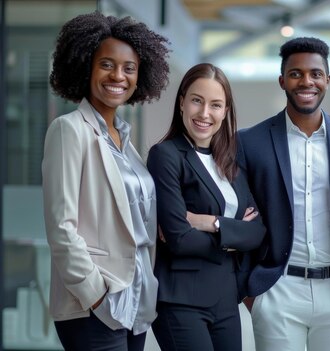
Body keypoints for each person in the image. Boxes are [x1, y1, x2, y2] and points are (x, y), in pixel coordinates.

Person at [237, 37, 330, 351]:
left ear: (327, 80)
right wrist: (252, 292)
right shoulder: (249, 142)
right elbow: (243, 219)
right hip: (277, 291)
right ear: (282, 80)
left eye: (315, 73)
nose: (306, 81)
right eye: (296, 73)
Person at [42, 11, 170, 351]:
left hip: (137, 301)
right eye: (107, 65)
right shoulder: (69, 130)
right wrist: (97, 297)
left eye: (129, 68)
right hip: (94, 306)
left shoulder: (126, 143)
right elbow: (61, 227)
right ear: (86, 68)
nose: (119, 76)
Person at [146, 63, 266, 351]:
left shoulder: (230, 163)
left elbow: (257, 233)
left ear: (225, 112)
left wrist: (212, 223)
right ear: (182, 102)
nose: (204, 113)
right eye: (197, 100)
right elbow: (178, 238)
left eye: (215, 105)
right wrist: (233, 238)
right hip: (181, 300)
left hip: (225, 299)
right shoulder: (166, 156)